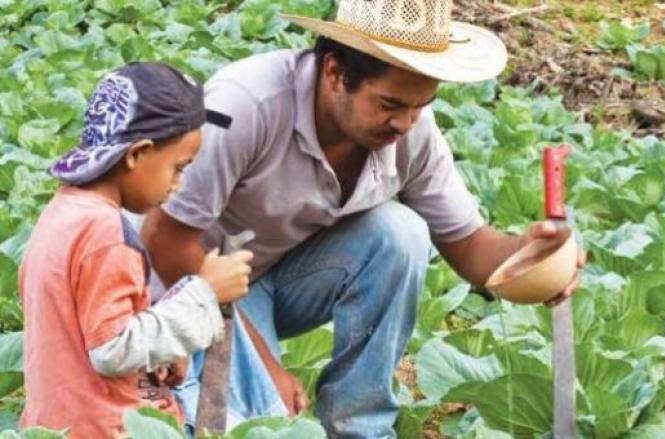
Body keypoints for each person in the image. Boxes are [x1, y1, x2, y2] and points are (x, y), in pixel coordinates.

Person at [141, 0, 585, 437]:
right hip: (185, 283)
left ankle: (360, 429)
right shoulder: (246, 105)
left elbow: (469, 244)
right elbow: (163, 239)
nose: (404, 123)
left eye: (420, 105)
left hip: (275, 276)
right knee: (258, 422)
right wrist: (264, 363)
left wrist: (532, 257)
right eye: (390, 104)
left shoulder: (411, 130)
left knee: (400, 234)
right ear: (335, 73)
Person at [18, 62, 254, 438]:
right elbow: (112, 349)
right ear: (136, 154)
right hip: (110, 428)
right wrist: (206, 295)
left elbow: (86, 327)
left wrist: (158, 353)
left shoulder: (64, 212)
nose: (178, 185)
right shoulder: (105, 233)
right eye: (178, 168)